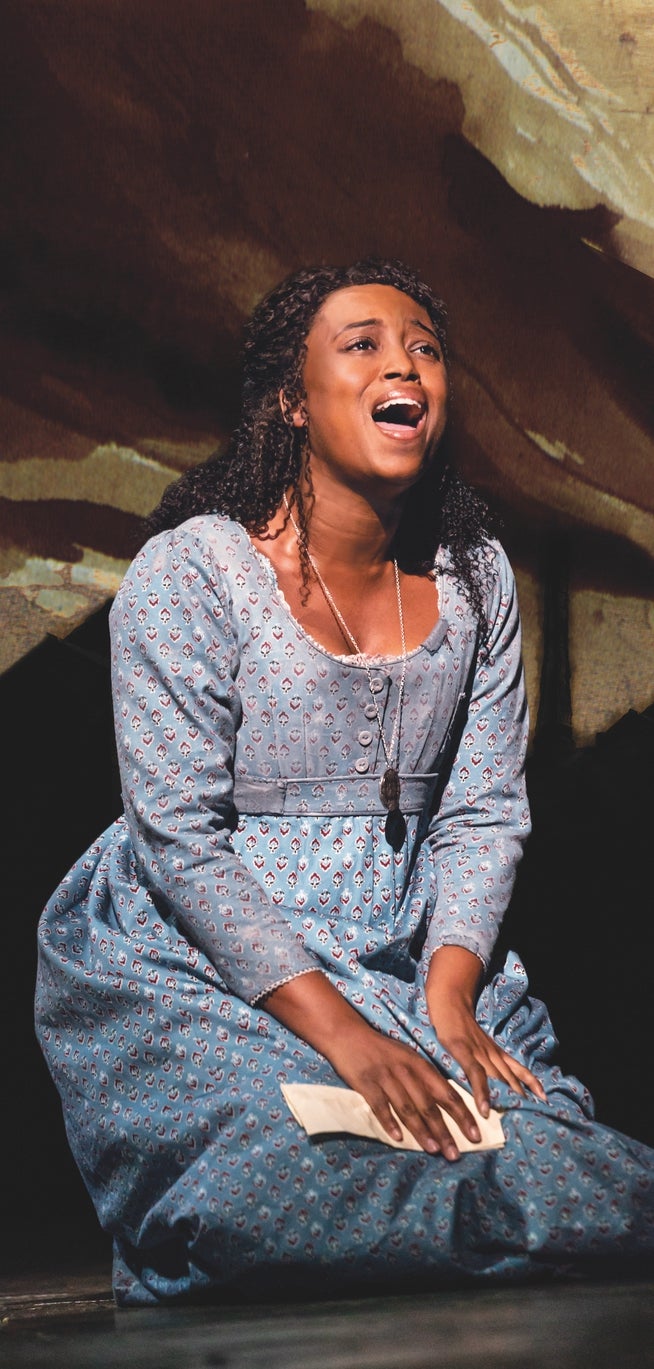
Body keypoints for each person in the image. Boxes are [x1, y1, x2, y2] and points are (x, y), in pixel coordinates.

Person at [36, 258, 654, 1306]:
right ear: (292, 396)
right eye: (361, 343)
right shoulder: (195, 573)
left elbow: (483, 807)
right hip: (205, 954)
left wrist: (450, 992)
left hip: (404, 948)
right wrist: (347, 1038)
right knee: (281, 1176)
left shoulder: (474, 578)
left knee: (557, 1162)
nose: (402, 361)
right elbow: (177, 836)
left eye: (424, 345)